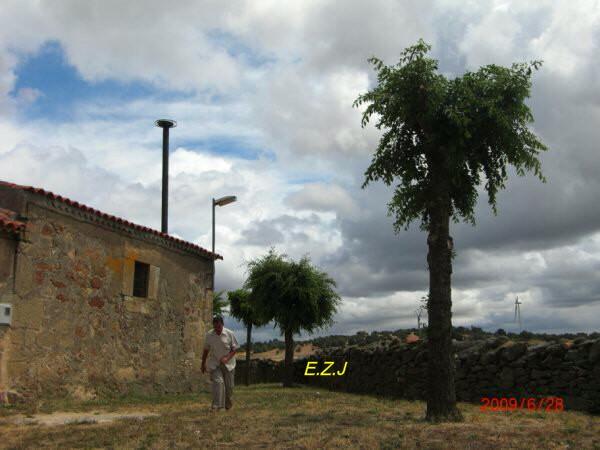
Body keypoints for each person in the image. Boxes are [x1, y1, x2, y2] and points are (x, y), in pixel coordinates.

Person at [201, 315, 238, 411]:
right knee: (219, 383)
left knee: (229, 387)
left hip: (229, 364)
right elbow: (206, 350)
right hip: (215, 363)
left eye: (219, 327)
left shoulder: (230, 334)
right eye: (215, 327)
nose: (217, 329)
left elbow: (234, 349)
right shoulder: (209, 335)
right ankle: (216, 406)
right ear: (213, 325)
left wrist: (227, 358)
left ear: (222, 325)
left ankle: (228, 406)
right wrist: (203, 364)